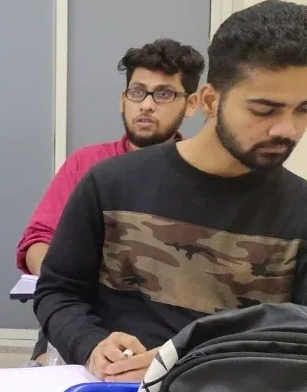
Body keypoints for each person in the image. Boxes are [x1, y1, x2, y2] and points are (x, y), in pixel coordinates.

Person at [5, 0, 307, 392]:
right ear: (210, 101)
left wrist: (184, 365)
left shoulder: (300, 212)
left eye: (302, 110)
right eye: (265, 108)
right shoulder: (111, 183)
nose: (286, 130)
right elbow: (58, 293)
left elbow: (297, 342)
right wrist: (92, 344)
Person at [17, 38, 205, 278]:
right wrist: (61, 282)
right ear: (123, 100)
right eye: (137, 92)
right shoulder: (87, 163)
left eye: (164, 94)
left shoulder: (200, 170)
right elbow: (39, 239)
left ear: (190, 105)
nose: (146, 104)